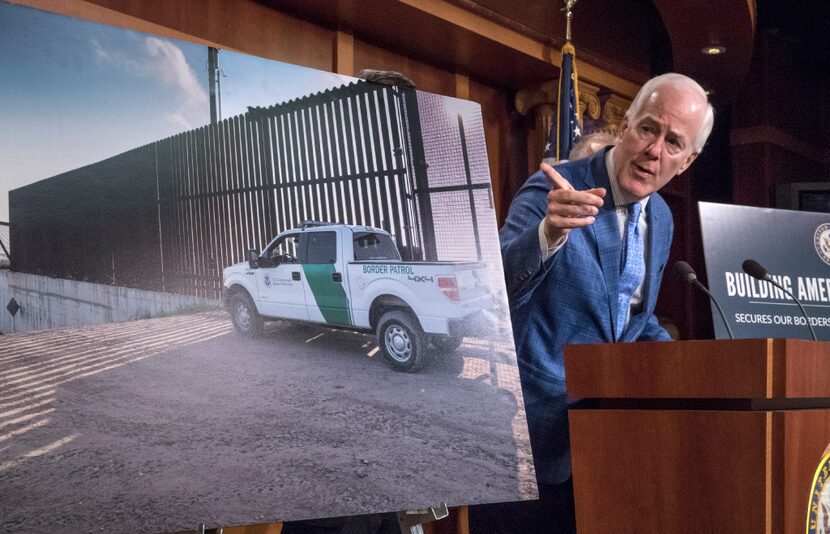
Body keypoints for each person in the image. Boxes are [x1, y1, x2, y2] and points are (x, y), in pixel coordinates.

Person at [490, 72, 714, 533]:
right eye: (649, 128)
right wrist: (546, 234)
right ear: (625, 124)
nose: (654, 151)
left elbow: (629, 319)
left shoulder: (664, 218)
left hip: (608, 444)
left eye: (673, 142)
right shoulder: (555, 188)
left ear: (687, 161)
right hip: (529, 438)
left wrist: (690, 366)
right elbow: (498, 291)